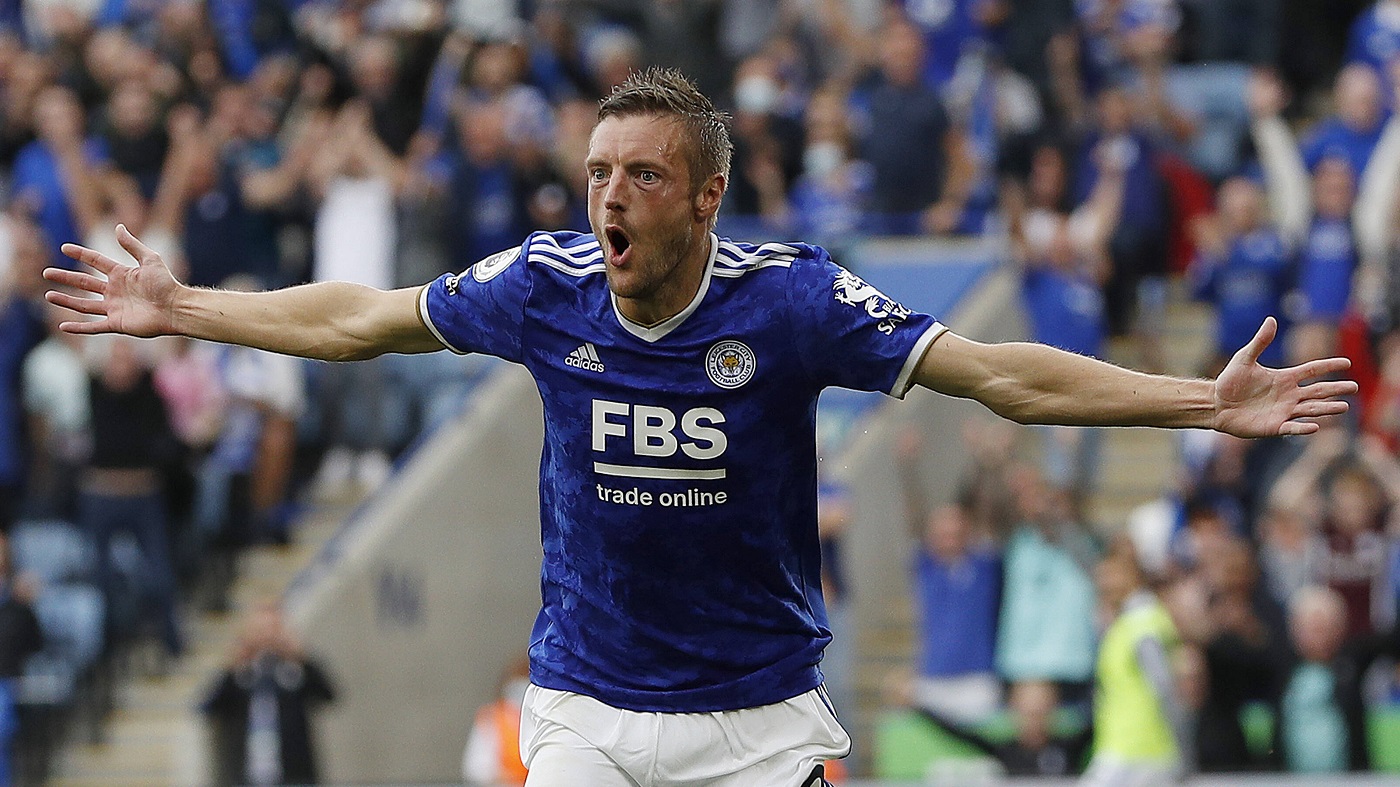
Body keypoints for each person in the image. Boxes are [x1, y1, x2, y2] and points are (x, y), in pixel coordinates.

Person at [44, 68, 1357, 787]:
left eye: (642, 174)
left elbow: (999, 376)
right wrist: (185, 306)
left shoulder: (792, 303)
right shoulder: (543, 285)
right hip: (585, 706)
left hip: (758, 718)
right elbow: (358, 321)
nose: (609, 197)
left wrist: (1199, 398)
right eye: (596, 173)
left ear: (707, 196)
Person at [202, 599, 337, 787]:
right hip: (246, 775)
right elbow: (209, 707)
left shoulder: (294, 671)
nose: (267, 637)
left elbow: (328, 695)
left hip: (295, 775)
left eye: (272, 629)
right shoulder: (240, 675)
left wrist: (302, 658)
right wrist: (231, 667)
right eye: (260, 630)